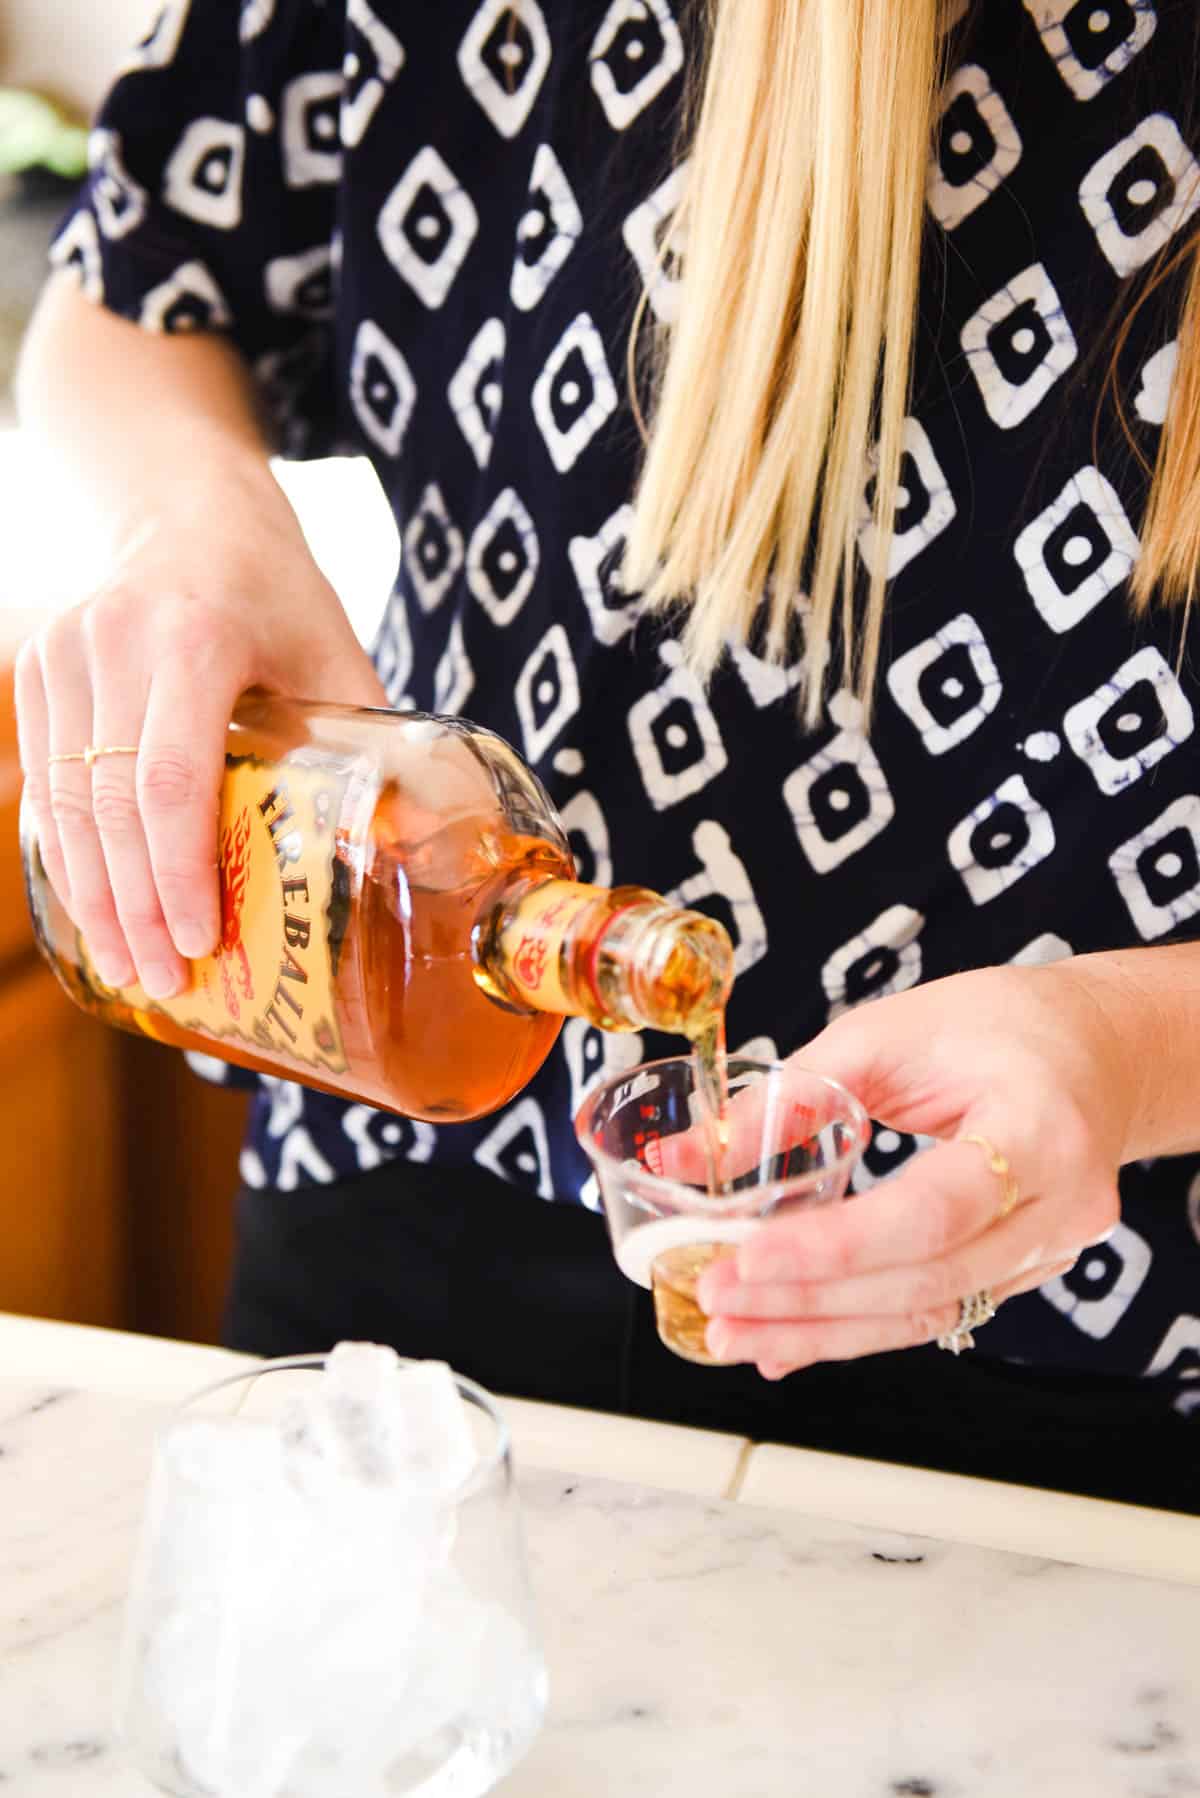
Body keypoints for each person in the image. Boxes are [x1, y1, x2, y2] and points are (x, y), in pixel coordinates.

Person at [14, 0, 1200, 1512]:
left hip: (1082, 1358)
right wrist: (197, 519)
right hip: (409, 1252)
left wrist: (1132, 1045)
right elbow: (123, 290)